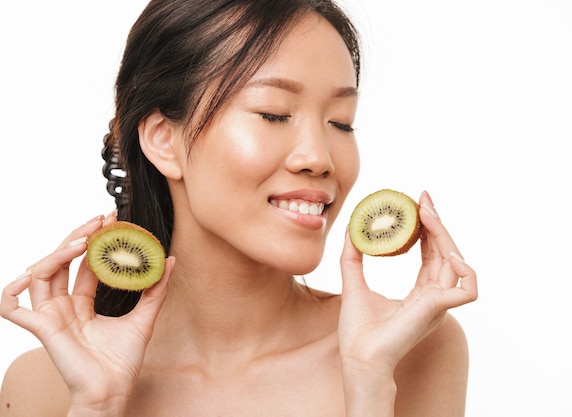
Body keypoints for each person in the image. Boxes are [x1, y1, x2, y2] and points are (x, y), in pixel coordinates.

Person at [0, 0, 478, 416]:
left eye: (341, 122)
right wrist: (96, 406)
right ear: (164, 141)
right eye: (273, 113)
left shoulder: (411, 349)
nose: (319, 158)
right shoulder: (47, 385)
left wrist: (370, 386)